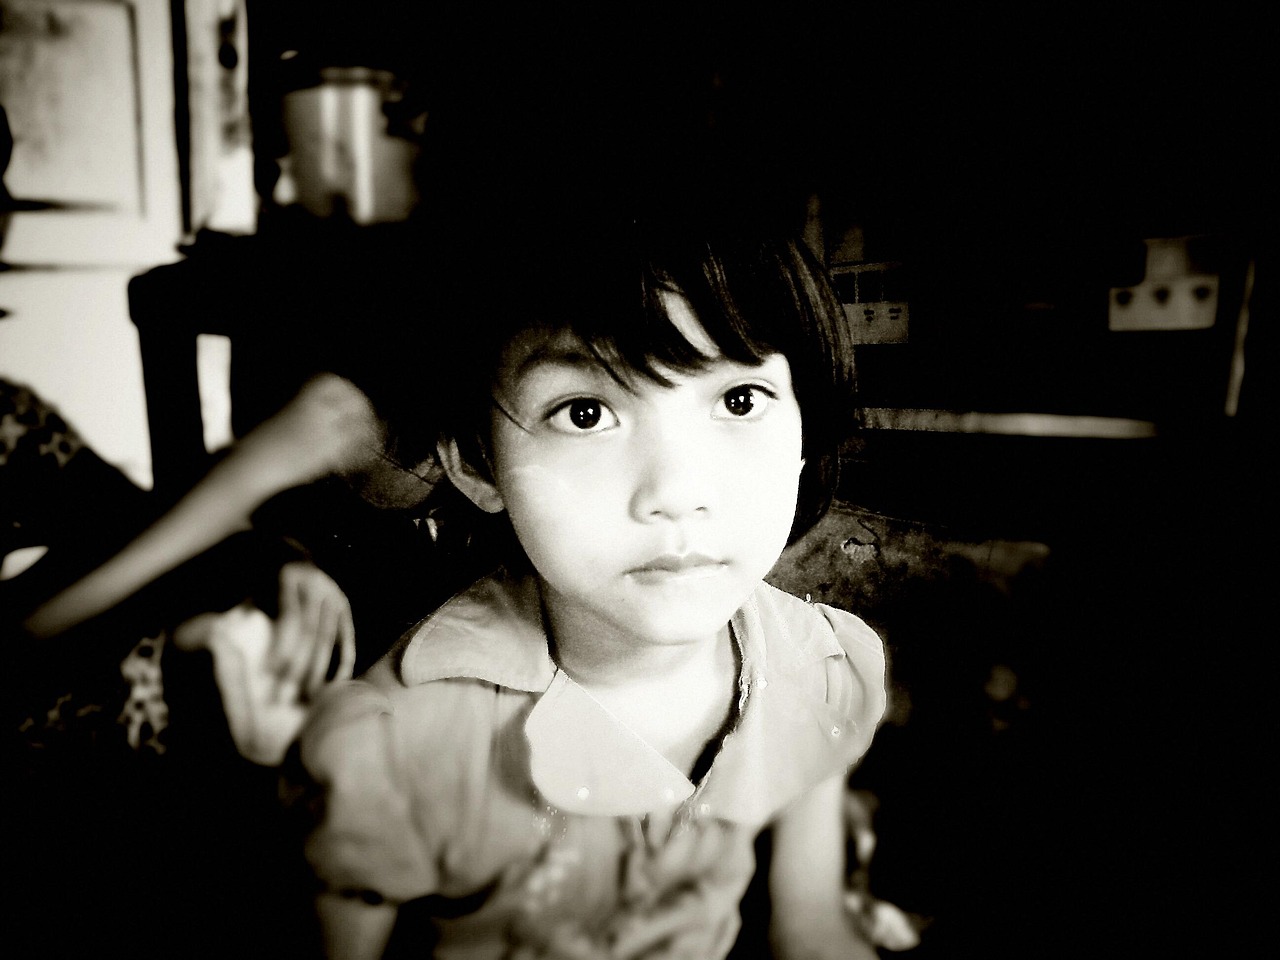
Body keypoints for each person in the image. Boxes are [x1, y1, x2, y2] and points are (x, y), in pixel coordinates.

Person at [286, 208, 888, 959]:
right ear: (476, 462)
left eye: (739, 400)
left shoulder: (817, 664)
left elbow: (811, 930)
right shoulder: (400, 740)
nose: (677, 492)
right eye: (585, 413)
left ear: (806, 431)